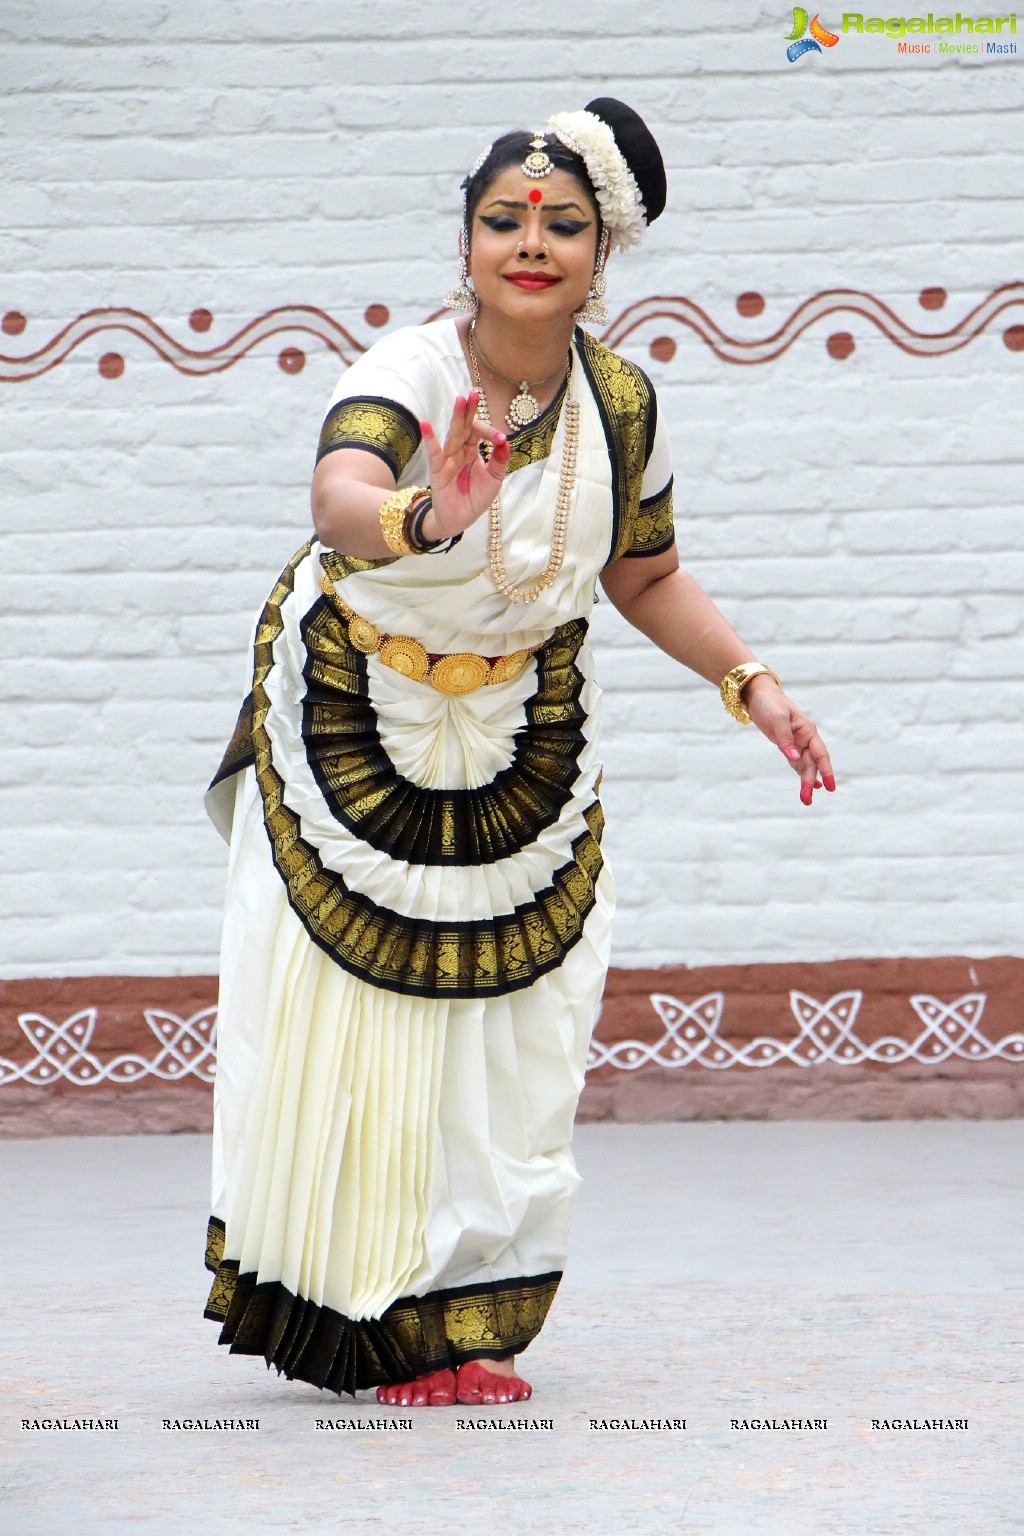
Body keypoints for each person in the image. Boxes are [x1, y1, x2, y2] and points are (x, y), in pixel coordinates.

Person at [201, 99, 835, 1410]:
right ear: (468, 239)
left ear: (606, 254)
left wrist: (752, 682)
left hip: (523, 727)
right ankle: (372, 1320)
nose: (531, 243)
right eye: (505, 221)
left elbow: (643, 571)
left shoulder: (620, 398)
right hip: (355, 718)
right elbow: (340, 498)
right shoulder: (409, 369)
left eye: (563, 225)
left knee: (514, 1032)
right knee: (368, 1031)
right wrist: (434, 505)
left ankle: (460, 1317)